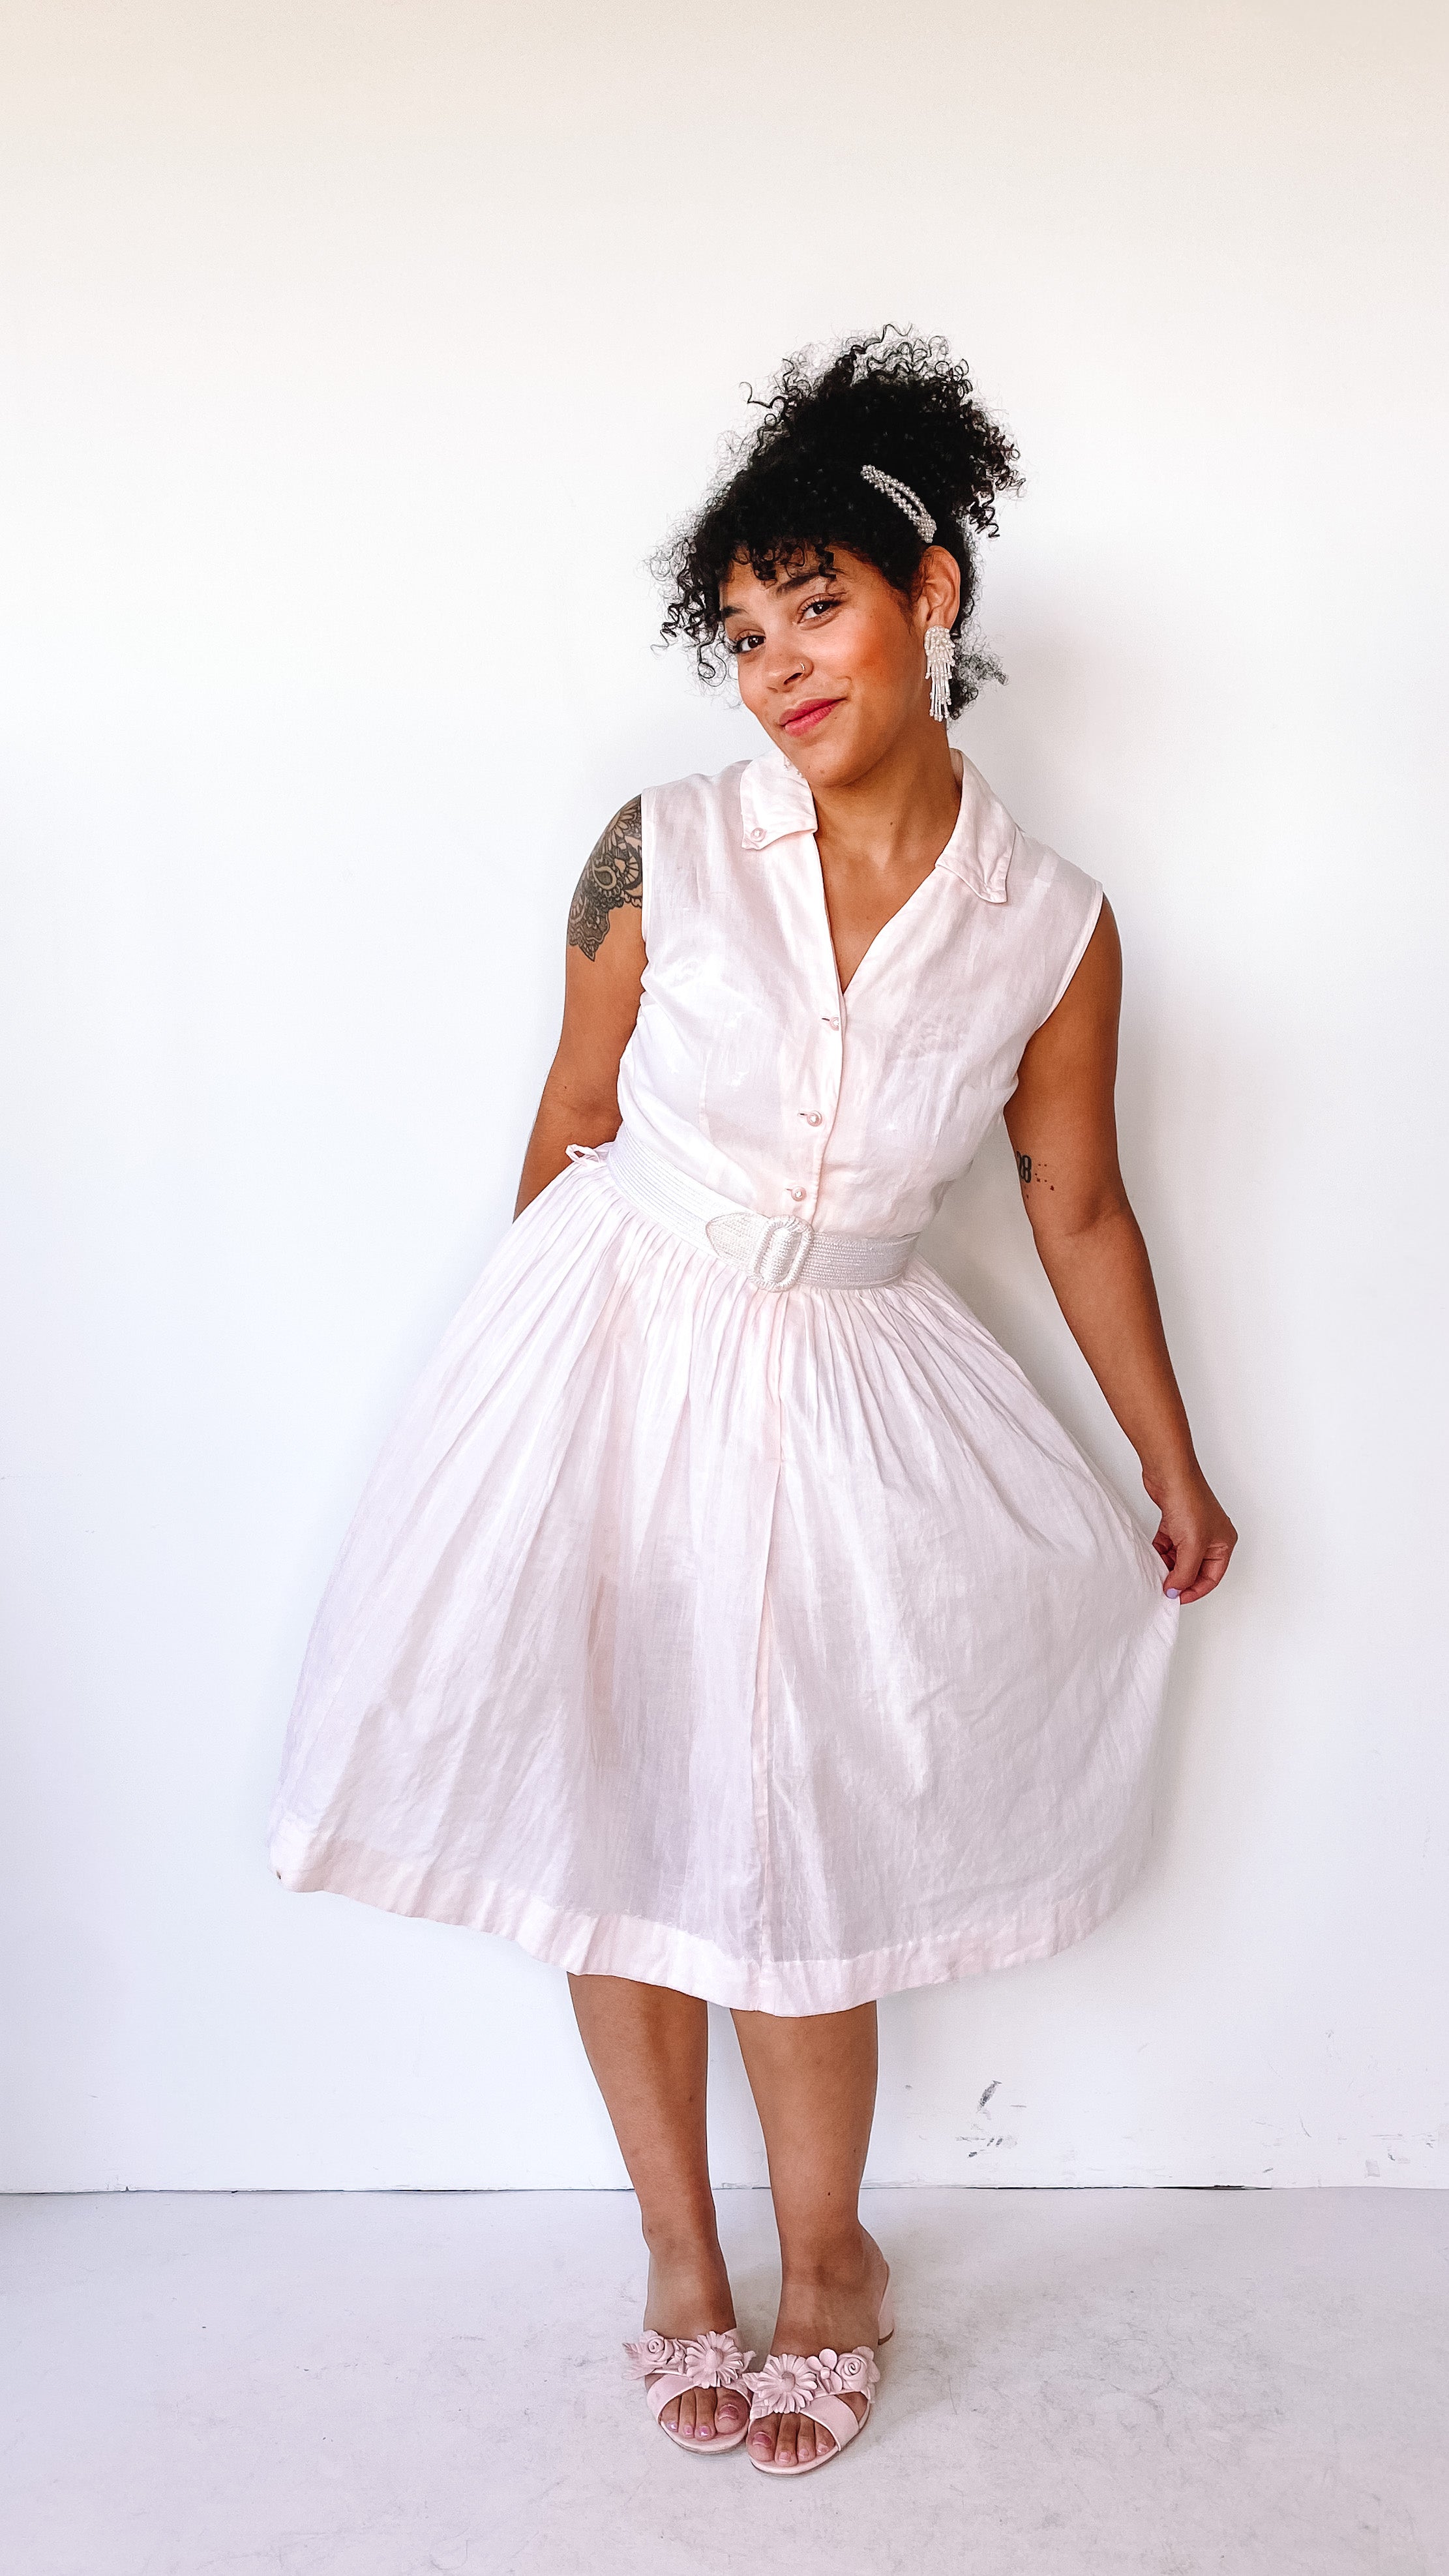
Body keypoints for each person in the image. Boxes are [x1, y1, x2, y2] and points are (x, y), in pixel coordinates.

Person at [269, 329, 1236, 2478]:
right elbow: (571, 1121)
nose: (779, 664)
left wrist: (1169, 1464)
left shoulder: (1055, 930)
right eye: (743, 632)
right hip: (612, 1350)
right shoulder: (660, 849)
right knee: (607, 1810)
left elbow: (1076, 1204)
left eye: (818, 606)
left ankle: (831, 2264)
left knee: (799, 1835)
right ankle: (678, 2255)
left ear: (932, 595)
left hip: (850, 1391)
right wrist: (529, 1430)